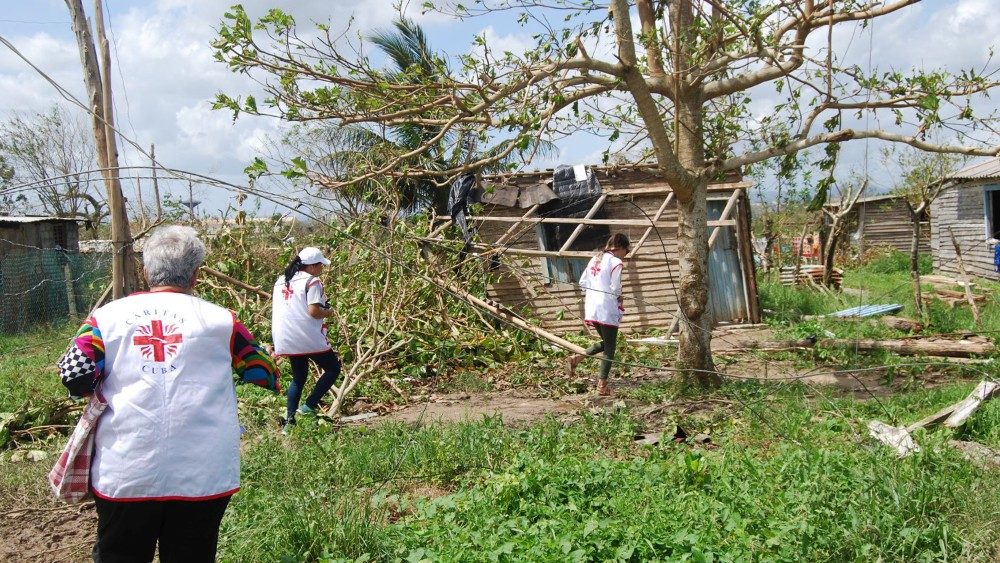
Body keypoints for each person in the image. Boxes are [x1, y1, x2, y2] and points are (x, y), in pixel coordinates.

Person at [56, 225, 280, 562]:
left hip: (127, 470)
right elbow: (262, 373)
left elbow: (74, 376)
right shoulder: (224, 322)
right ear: (196, 276)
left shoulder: (104, 319)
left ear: (146, 272)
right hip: (202, 473)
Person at [271, 247, 340, 433]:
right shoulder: (312, 281)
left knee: (299, 378)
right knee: (333, 368)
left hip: (286, 337)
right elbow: (314, 311)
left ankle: (289, 423)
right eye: (320, 265)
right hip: (306, 336)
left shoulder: (282, 280)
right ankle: (309, 406)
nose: (321, 269)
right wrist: (329, 312)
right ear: (312, 266)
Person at [568, 233, 630, 396]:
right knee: (610, 347)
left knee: (607, 343)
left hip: (592, 307)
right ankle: (602, 385)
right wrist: (619, 297)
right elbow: (615, 287)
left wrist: (596, 292)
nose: (625, 255)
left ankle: (577, 358)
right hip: (606, 308)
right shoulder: (616, 262)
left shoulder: (594, 259)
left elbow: (582, 282)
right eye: (626, 251)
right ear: (621, 248)